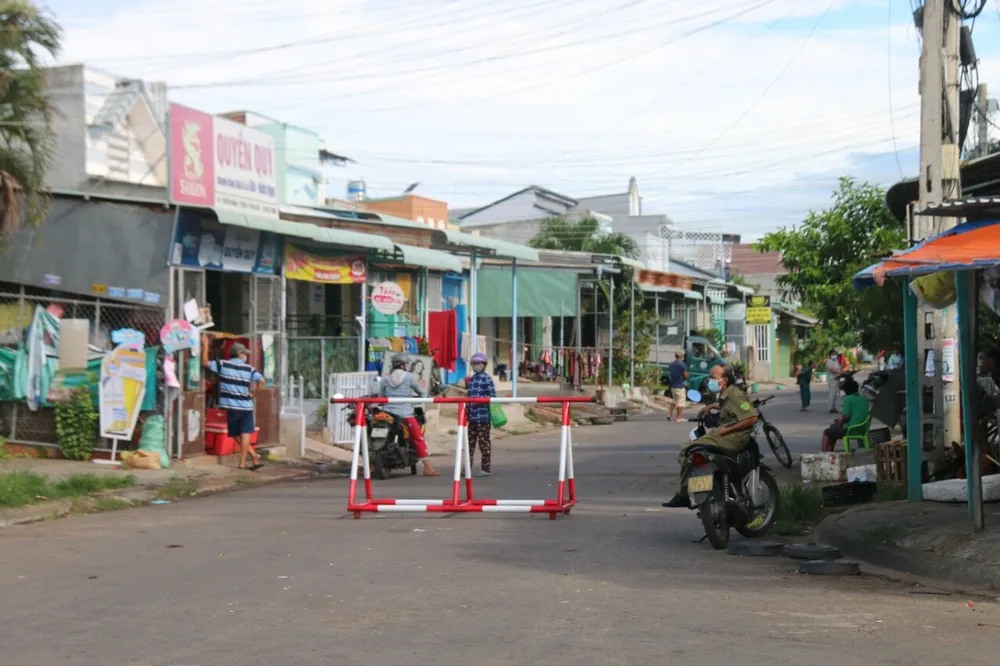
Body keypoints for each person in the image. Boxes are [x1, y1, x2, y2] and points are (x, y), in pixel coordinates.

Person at [662, 365, 758, 508]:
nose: (709, 381)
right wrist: (712, 406)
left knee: (688, 450)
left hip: (732, 437)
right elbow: (728, 406)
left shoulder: (735, 394)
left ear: (724, 380)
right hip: (723, 433)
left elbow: (752, 418)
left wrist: (727, 430)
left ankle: (685, 494)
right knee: (695, 451)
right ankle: (701, 490)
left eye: (713, 378)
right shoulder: (726, 394)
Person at [202, 338, 264, 471]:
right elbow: (262, 380)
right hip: (246, 406)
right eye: (244, 353)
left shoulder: (223, 364)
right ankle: (246, 460)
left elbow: (205, 363)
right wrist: (253, 394)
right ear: (240, 354)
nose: (246, 356)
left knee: (235, 433)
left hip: (230, 406)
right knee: (245, 433)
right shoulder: (249, 369)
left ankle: (252, 456)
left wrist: (206, 346)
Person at [380, 353, 439, 477]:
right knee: (418, 439)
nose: (408, 366)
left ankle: (373, 466)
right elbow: (422, 393)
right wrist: (418, 400)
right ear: (402, 365)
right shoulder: (410, 377)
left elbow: (381, 397)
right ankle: (428, 468)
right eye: (407, 364)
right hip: (405, 414)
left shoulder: (385, 378)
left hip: (387, 413)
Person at [466, 353, 497, 477]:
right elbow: (468, 396)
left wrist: (478, 400)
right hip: (472, 417)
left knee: (484, 444)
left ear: (484, 365)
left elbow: (492, 396)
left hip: (483, 417)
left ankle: (485, 469)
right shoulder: (472, 379)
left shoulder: (487, 379)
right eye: (474, 364)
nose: (476, 366)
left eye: (478, 364)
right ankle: (467, 468)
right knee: (469, 444)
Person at [821, 377, 869, 452]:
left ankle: (824, 453)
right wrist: (840, 421)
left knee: (827, 432)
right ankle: (830, 452)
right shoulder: (864, 399)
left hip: (852, 430)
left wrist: (840, 423)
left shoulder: (848, 399)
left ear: (846, 391)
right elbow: (856, 414)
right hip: (863, 429)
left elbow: (846, 417)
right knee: (833, 428)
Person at [667, 352, 689, 422]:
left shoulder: (671, 364)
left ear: (675, 356)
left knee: (674, 401)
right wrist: (688, 375)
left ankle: (669, 414)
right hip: (680, 386)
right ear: (682, 356)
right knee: (680, 402)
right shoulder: (682, 364)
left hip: (673, 386)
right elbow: (685, 375)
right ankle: (678, 417)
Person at [824, 349, 844, 414]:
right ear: (830, 355)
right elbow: (831, 370)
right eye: (833, 354)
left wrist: (842, 359)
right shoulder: (829, 361)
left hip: (836, 379)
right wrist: (840, 372)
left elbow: (840, 367)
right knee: (832, 393)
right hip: (832, 379)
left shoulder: (836, 361)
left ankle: (833, 407)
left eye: (835, 354)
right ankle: (830, 408)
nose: (834, 355)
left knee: (835, 394)